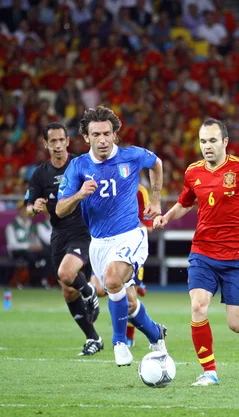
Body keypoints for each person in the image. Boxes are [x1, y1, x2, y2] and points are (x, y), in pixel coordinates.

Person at [153, 118, 239, 386]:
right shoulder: (193, 172)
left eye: (213, 140)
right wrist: (166, 217)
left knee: (237, 325)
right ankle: (209, 371)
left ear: (225, 142)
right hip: (202, 252)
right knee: (198, 306)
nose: (207, 146)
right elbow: (184, 203)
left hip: (236, 257)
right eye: (203, 141)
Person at [56, 106, 167, 367]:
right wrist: (80, 194)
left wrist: (157, 199)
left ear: (115, 134)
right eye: (96, 134)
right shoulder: (78, 167)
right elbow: (61, 209)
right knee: (128, 304)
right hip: (99, 243)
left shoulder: (131, 156)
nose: (102, 139)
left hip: (130, 235)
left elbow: (157, 163)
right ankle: (155, 334)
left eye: (107, 133)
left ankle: (119, 344)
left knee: (113, 279)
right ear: (86, 137)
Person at [26, 121, 103, 357]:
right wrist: (35, 207)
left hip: (83, 232)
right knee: (68, 291)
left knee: (67, 275)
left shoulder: (80, 164)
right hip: (59, 235)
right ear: (46, 144)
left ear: (68, 141)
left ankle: (90, 291)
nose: (58, 145)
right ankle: (94, 338)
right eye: (53, 142)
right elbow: (28, 207)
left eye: (62, 140)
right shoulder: (40, 174)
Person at [90, 182, 153, 347]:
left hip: (129, 246)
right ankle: (154, 332)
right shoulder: (103, 186)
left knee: (131, 299)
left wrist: (125, 224)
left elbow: (149, 227)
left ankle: (127, 337)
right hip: (105, 245)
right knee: (99, 290)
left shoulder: (140, 192)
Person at [5, 203, 50, 289]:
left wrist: (38, 245)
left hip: (32, 250)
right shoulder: (12, 226)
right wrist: (28, 246)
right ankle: (33, 281)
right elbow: (11, 245)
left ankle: (43, 280)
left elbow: (36, 240)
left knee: (46, 253)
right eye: (24, 210)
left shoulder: (32, 226)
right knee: (31, 256)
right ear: (19, 211)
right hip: (18, 251)